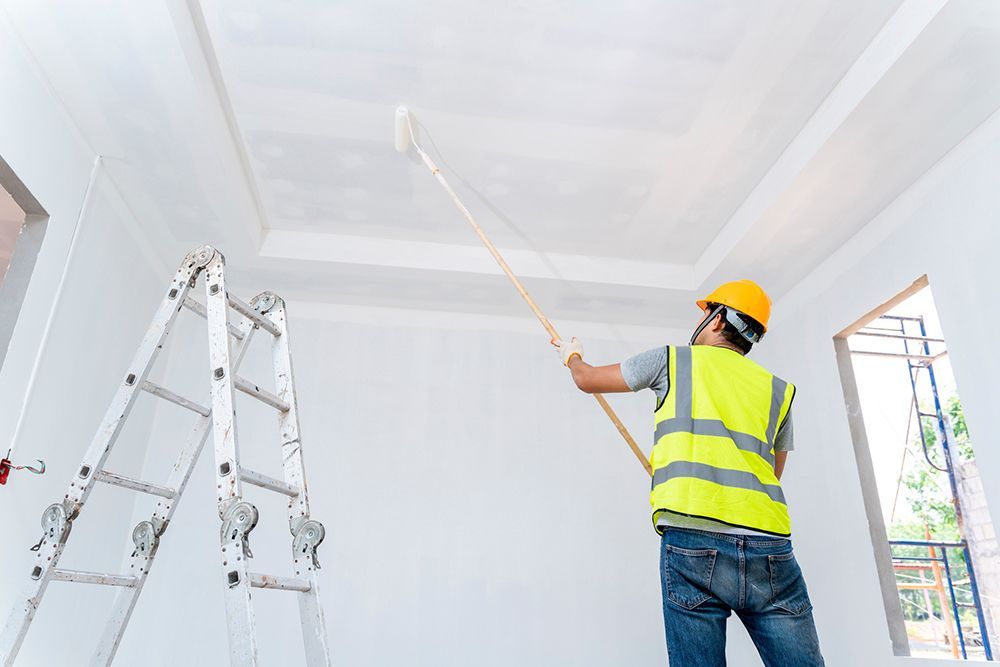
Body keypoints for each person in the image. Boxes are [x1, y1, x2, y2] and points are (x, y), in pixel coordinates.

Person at [552, 280, 824, 667]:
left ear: (716, 321)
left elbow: (587, 380)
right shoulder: (778, 389)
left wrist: (572, 355)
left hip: (692, 542)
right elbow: (772, 471)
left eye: (704, 312)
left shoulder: (671, 361)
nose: (699, 320)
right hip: (770, 548)